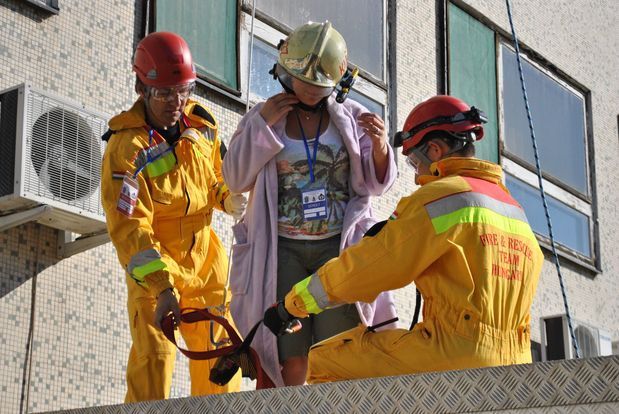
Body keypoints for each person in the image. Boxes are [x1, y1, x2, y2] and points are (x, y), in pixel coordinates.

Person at [263, 95, 544, 383]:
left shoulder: (439, 198)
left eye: (414, 162)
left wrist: (291, 305)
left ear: (435, 150)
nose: (416, 175)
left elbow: (368, 268)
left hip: (454, 354)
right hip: (516, 363)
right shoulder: (513, 209)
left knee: (324, 360)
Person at [222, 21, 398, 387]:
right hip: (281, 250)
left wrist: (381, 148)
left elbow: (375, 184)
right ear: (286, 71)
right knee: (289, 353)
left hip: (337, 248)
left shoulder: (351, 118)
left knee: (337, 349)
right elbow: (236, 178)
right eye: (304, 82)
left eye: (320, 86)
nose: (310, 91)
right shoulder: (263, 115)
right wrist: (263, 126)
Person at [100, 31, 246, 402]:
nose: (176, 102)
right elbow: (130, 230)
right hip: (157, 267)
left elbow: (216, 178)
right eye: (165, 93)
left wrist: (226, 198)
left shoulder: (202, 127)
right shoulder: (126, 149)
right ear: (141, 88)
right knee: (156, 361)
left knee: (221, 367)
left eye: (184, 90)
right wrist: (162, 288)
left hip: (207, 264)